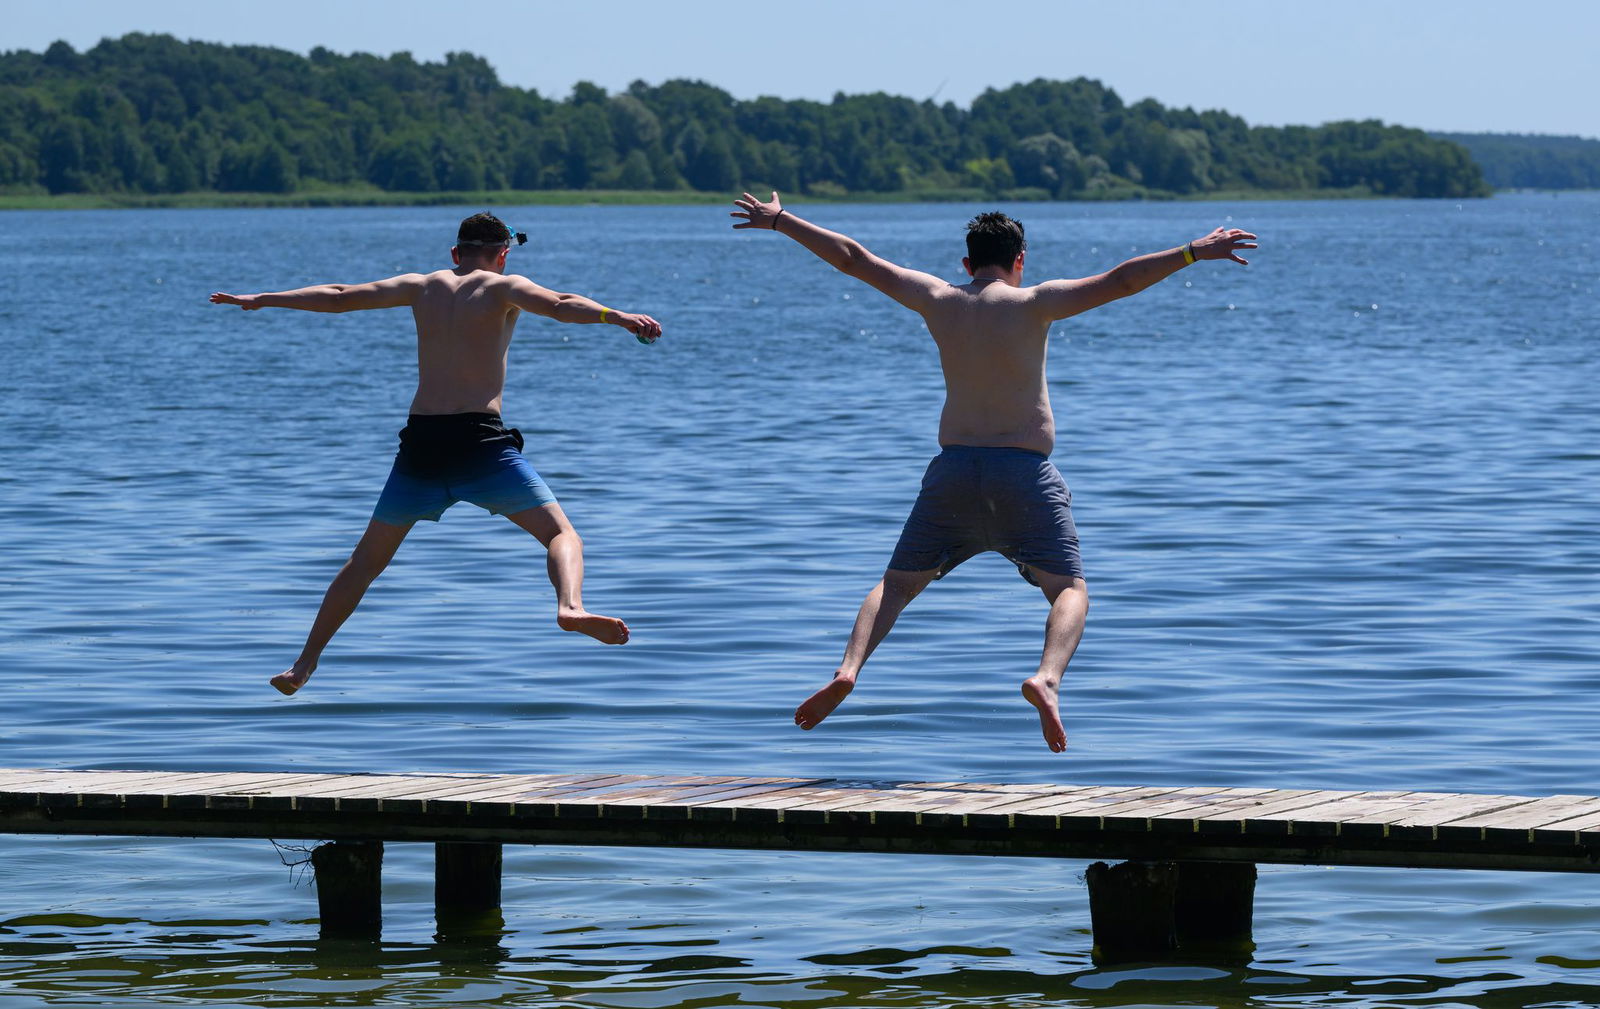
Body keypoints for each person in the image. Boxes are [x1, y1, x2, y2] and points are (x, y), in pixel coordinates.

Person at [731, 193, 1255, 752]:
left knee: (896, 585)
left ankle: (849, 669)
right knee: (1069, 589)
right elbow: (1122, 280)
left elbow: (854, 259)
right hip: (1023, 474)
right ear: (1020, 259)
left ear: (966, 264)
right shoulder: (1036, 301)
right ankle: (1046, 678)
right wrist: (1192, 253)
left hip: (953, 472)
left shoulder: (937, 298)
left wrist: (781, 221)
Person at [211, 212, 662, 696]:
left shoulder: (420, 286)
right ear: (503, 255)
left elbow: (340, 296)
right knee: (560, 534)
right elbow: (560, 304)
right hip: (480, 445)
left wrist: (264, 299)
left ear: (455, 253)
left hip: (421, 448)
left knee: (363, 564)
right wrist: (615, 316)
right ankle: (570, 606)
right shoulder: (504, 286)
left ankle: (303, 663)